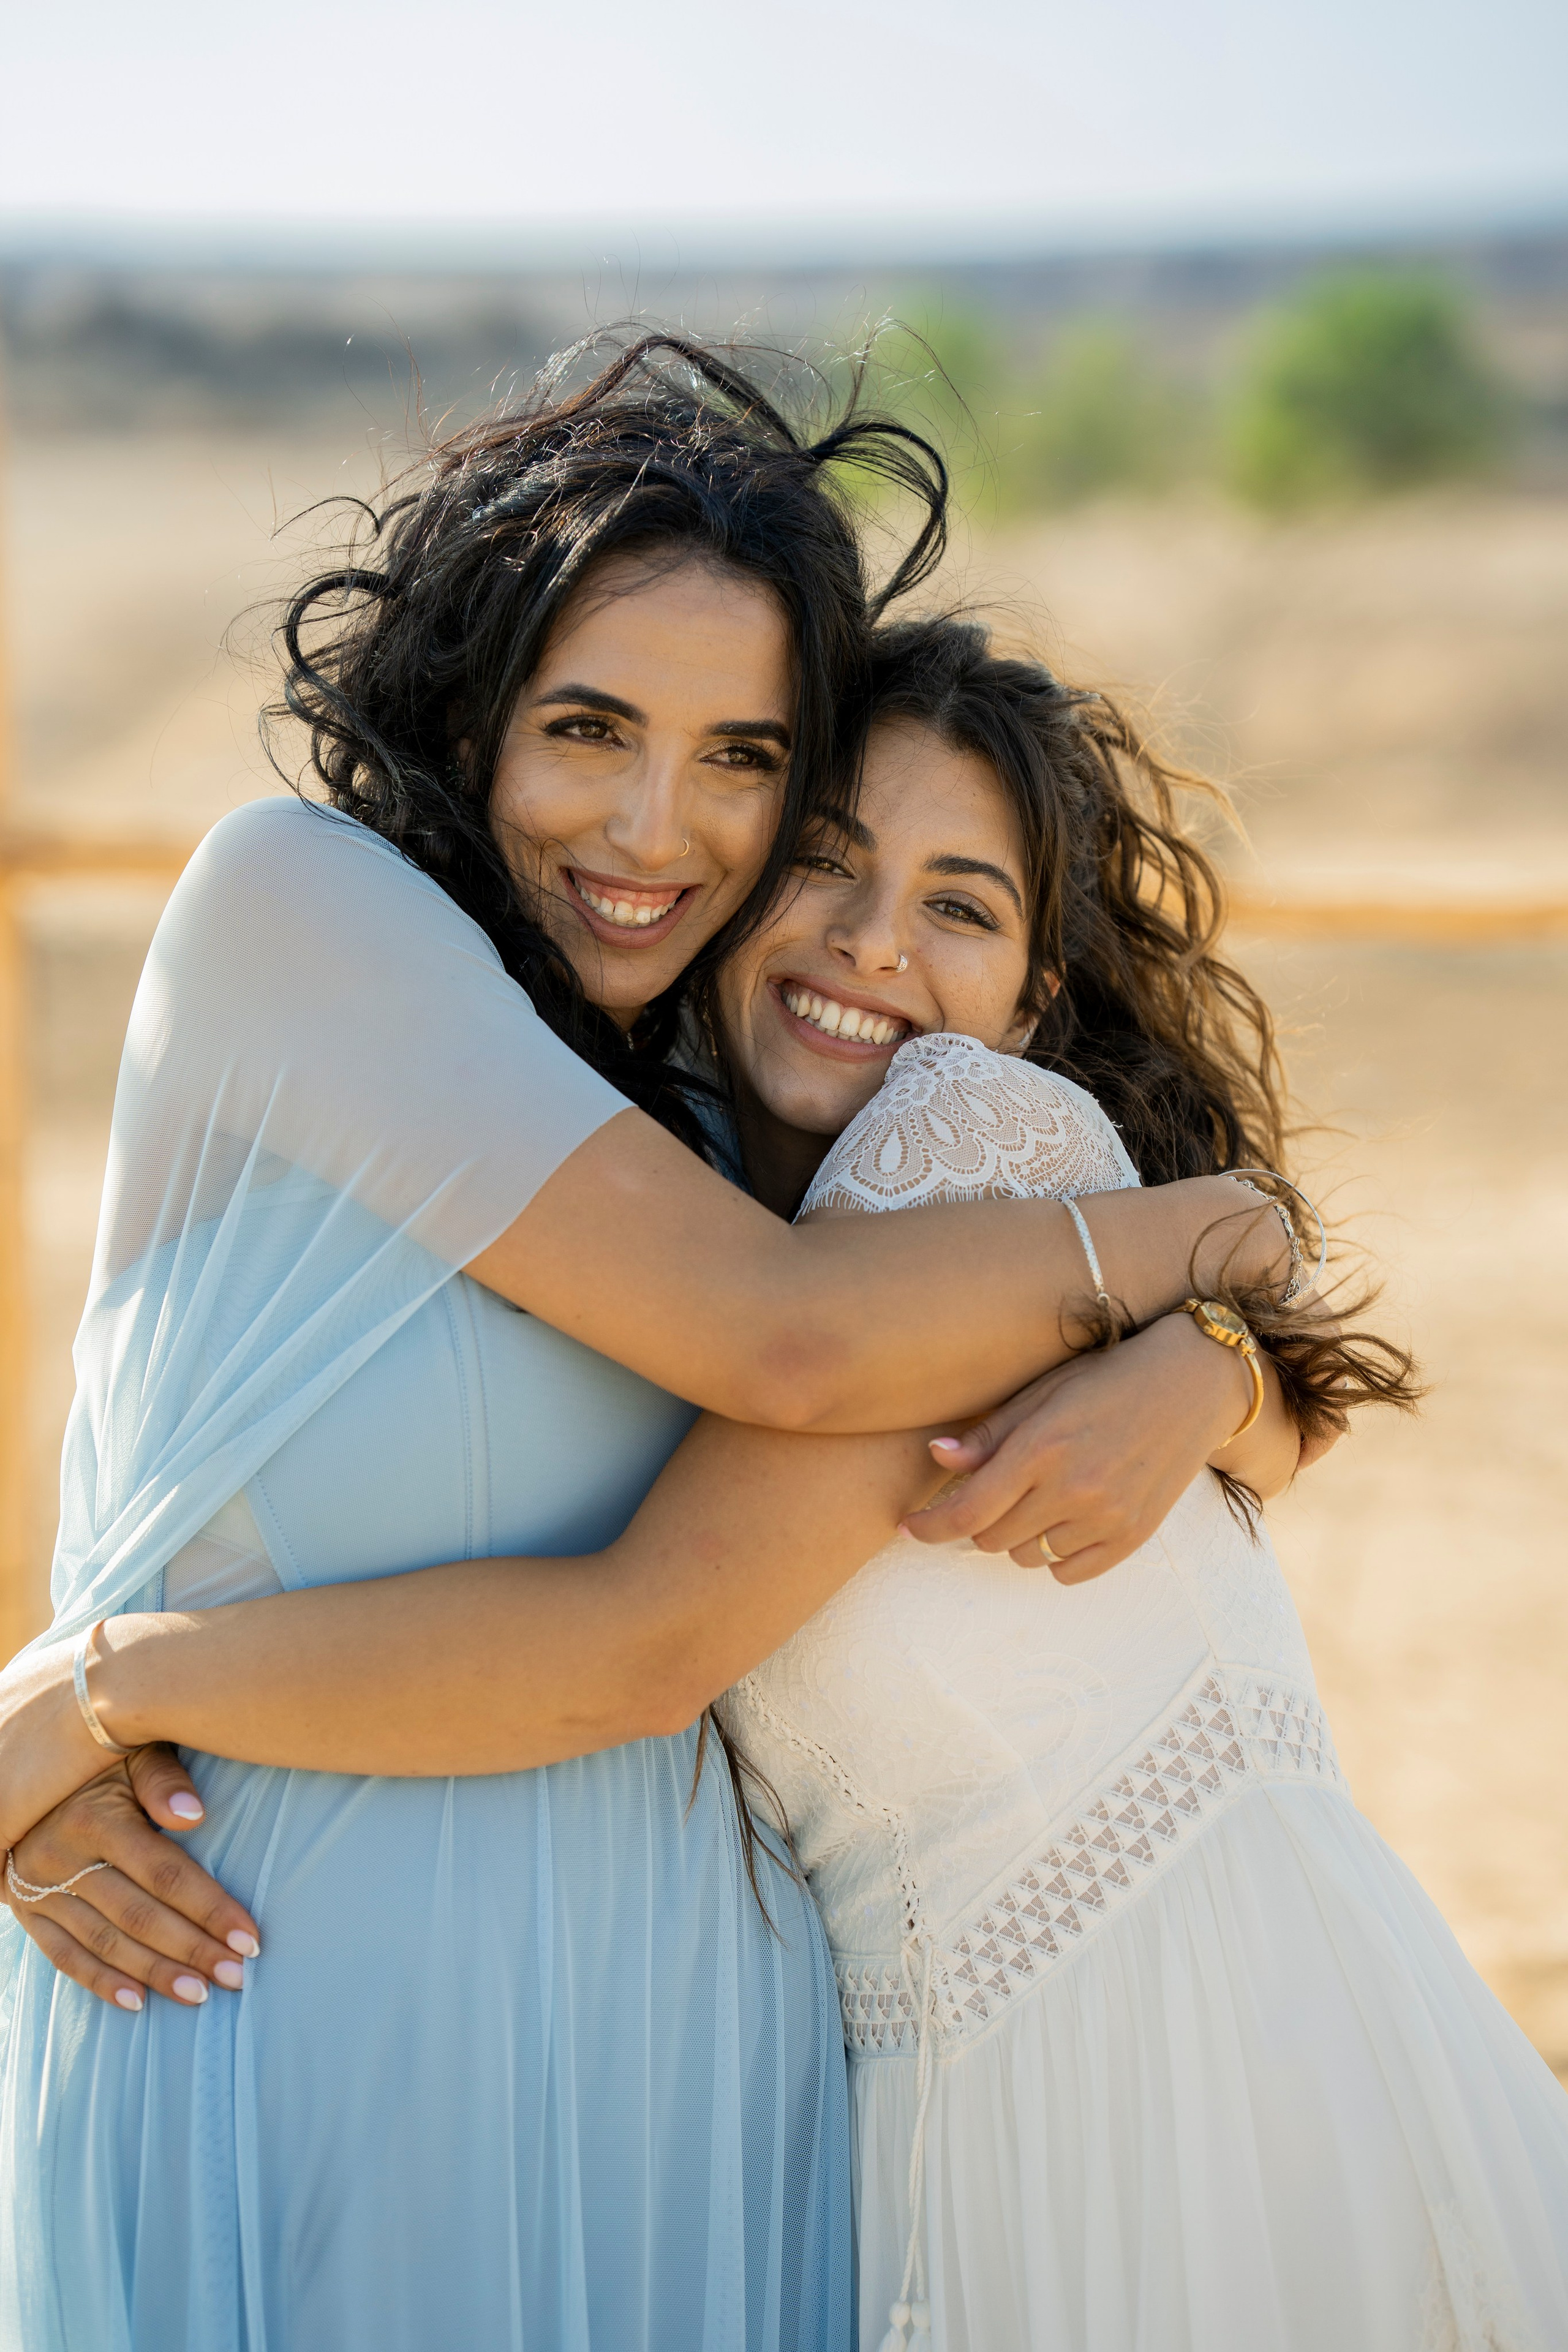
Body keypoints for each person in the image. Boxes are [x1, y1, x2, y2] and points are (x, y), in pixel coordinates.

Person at [0, 341, 1300, 2352]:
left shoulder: (717, 1103)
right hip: (288, 2025)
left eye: (742, 758)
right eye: (587, 728)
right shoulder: (300, 912)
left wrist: (1217, 1339)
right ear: (467, 711)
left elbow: (1055, 1427)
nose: (650, 827)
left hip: (684, 2079)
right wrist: (1219, 1234)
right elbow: (789, 1349)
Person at [708, 618, 1567, 2352]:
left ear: (1030, 1004)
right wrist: (1223, 1340)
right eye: (825, 860)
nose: (873, 940)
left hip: (1180, 2091)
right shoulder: (712, 1204)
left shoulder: (964, 1143)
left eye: (961, 906)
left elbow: (638, 1631)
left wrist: (1223, 1350)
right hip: (980, 2118)